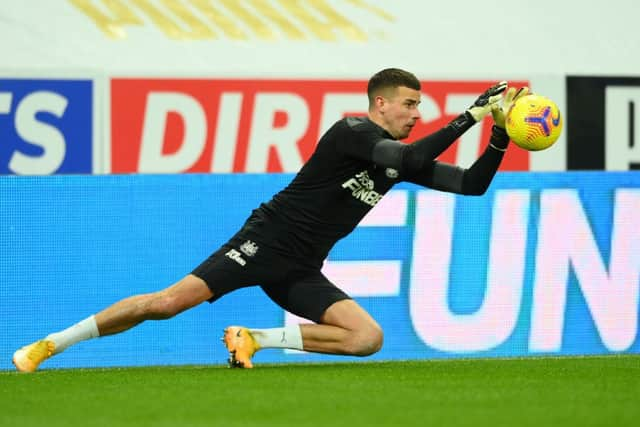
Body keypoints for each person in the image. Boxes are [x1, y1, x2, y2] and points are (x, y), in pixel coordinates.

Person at [13, 68, 528, 371]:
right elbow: (411, 159)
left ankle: (254, 338)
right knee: (166, 304)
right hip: (265, 242)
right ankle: (51, 344)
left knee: (367, 340)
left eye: (419, 106)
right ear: (380, 103)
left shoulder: (392, 156)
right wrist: (471, 116)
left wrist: (500, 132)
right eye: (410, 105)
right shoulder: (353, 132)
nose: (416, 113)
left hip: (301, 267)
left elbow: (472, 184)